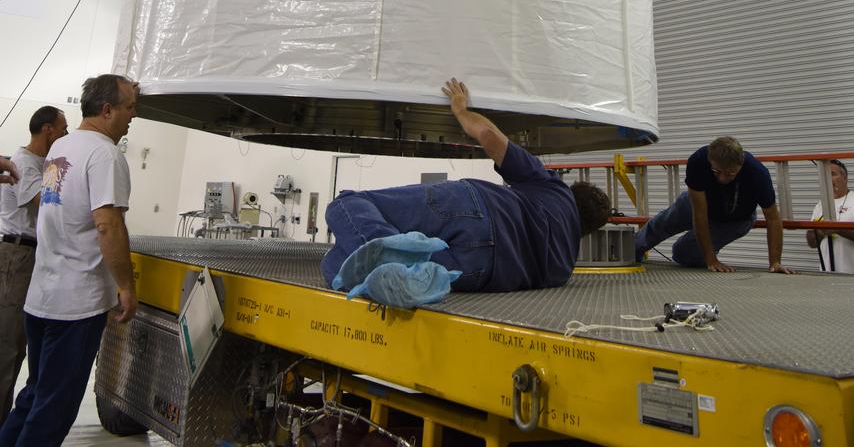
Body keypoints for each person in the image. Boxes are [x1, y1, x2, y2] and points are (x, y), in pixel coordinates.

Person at [322, 77, 611, 307]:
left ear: (572, 191)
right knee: (332, 265)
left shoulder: (554, 189)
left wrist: (461, 109)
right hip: (480, 270)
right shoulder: (563, 269)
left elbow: (490, 138)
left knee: (348, 203)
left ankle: (384, 252)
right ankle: (391, 265)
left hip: (474, 210)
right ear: (586, 232)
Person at [0, 75, 138, 447]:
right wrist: (126, 285)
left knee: (33, 395)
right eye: (129, 108)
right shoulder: (106, 154)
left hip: (42, 296)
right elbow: (108, 224)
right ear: (107, 110)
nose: (132, 117)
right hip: (76, 305)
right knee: (53, 409)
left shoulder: (61, 147)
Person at [634, 136, 793, 273]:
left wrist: (775, 262)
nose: (723, 179)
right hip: (698, 205)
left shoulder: (757, 173)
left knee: (683, 253)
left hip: (736, 219)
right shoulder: (698, 161)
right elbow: (700, 214)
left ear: (741, 164)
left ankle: (696, 251)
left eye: (730, 174)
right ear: (710, 160)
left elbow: (772, 218)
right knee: (663, 223)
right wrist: (711, 260)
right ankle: (628, 251)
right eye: (717, 172)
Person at [0, 107, 68, 423]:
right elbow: (47, 205)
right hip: (16, 256)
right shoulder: (25, 164)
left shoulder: (44, 164)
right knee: (8, 347)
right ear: (48, 130)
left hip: (32, 257)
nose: (68, 136)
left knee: (18, 347)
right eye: (64, 129)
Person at [806, 159, 854, 273]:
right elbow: (811, 243)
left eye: (833, 174)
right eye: (825, 174)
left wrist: (837, 229)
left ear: (845, 178)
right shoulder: (820, 205)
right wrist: (819, 232)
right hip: (826, 275)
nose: (828, 178)